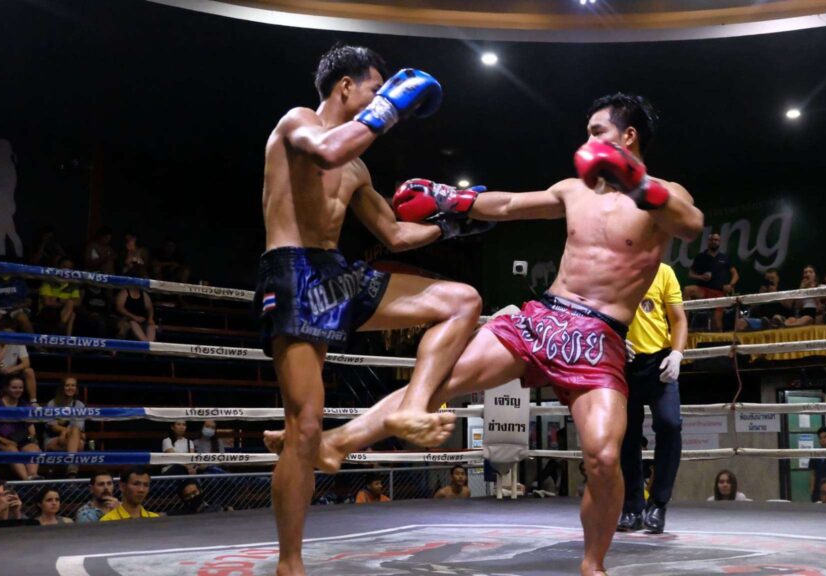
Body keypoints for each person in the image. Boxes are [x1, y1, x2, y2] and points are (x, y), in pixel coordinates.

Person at [268, 92, 703, 576]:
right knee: (439, 381)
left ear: (629, 136)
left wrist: (635, 181)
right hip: (543, 318)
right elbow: (510, 204)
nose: (587, 141)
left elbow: (690, 224)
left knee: (603, 457)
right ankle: (336, 443)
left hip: (598, 337)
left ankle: (592, 564)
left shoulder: (664, 194)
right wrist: (453, 200)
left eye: (597, 132)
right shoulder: (574, 190)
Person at [258, 43, 488, 576]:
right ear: (346, 86)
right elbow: (326, 151)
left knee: (462, 300)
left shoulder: (357, 167)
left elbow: (393, 234)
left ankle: (413, 405)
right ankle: (290, 564)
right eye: (374, 89)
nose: (383, 100)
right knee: (305, 427)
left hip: (337, 275)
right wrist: (389, 106)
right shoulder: (298, 123)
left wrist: (452, 223)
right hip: (294, 274)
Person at [618, 262, 686, 534]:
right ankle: (631, 507)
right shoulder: (613, 269)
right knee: (626, 435)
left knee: (670, 424)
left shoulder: (664, 272)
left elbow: (678, 318)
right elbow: (598, 314)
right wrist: (613, 339)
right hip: (623, 361)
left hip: (659, 360)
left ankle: (658, 504)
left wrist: (677, 353)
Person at [684, 233, 737, 330]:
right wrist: (700, 277)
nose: (713, 241)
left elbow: (735, 275)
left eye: (716, 240)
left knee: (716, 322)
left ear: (719, 242)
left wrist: (731, 285)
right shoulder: (701, 256)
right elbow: (690, 274)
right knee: (687, 290)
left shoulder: (724, 258)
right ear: (708, 241)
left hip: (719, 292)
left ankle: (719, 338)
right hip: (703, 290)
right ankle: (684, 325)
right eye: (711, 239)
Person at [0, 376, 41, 479]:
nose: (18, 390)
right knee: (11, 449)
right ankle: (27, 481)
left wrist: (30, 439)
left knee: (33, 448)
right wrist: (7, 441)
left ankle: (33, 477)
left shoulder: (24, 405)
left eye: (20, 388)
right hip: (1, 443)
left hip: (21, 441)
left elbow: (32, 431)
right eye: (14, 387)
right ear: (6, 388)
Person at [43, 377, 87, 477]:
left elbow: (78, 427)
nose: (70, 388)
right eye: (67, 385)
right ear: (62, 388)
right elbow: (53, 426)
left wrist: (65, 433)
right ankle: (71, 470)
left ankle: (71, 468)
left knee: (76, 435)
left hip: (71, 438)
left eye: (73, 385)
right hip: (53, 439)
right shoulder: (52, 403)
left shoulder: (79, 405)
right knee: (78, 444)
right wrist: (64, 432)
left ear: (76, 388)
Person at [0, 327, 38, 404]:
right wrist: (5, 347)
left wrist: (12, 369)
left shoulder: (18, 342)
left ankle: (33, 401)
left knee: (29, 371)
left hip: (13, 371)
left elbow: (26, 363)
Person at [115, 265, 156, 341]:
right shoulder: (125, 292)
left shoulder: (143, 294)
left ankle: (149, 345)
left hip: (142, 320)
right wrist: (134, 317)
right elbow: (119, 307)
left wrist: (150, 318)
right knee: (132, 323)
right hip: (127, 319)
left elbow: (150, 308)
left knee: (151, 326)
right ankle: (145, 343)